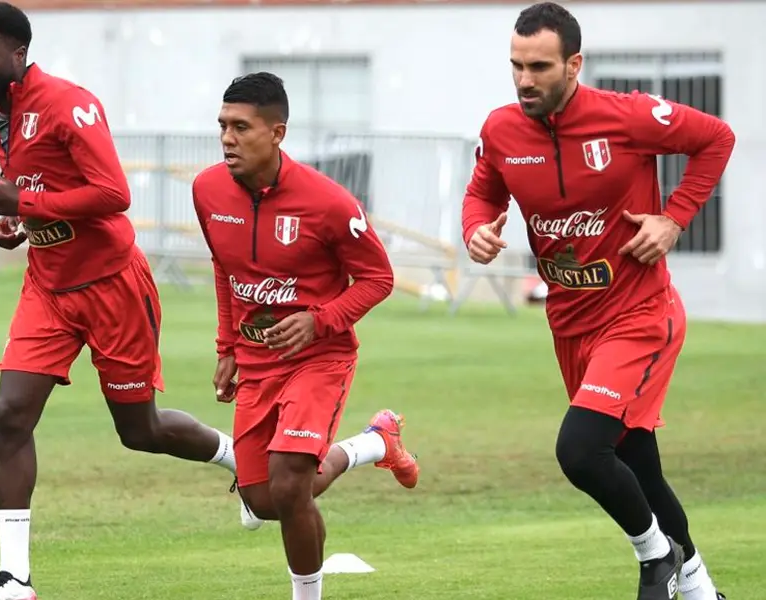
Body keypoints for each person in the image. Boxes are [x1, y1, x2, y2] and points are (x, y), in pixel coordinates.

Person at [0, 3, 240, 598]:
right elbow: (35, 189)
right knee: (9, 414)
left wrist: (26, 206)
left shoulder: (68, 103)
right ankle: (14, 578)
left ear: (18, 53)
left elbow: (113, 193)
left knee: (139, 432)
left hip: (113, 285)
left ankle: (238, 459)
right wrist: (17, 224)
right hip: (48, 286)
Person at [462, 3, 734, 599]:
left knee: (580, 450)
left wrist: (675, 219)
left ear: (574, 64)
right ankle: (702, 591)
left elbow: (716, 138)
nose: (524, 80)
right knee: (640, 468)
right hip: (571, 325)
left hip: (640, 315)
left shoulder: (628, 117)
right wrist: (477, 228)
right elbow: (483, 192)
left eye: (538, 66)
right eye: (515, 66)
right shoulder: (501, 129)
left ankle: (655, 557)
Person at [192, 71, 421, 600]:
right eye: (222, 126)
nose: (227, 138)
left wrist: (319, 320)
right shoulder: (206, 189)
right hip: (255, 361)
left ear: (277, 133)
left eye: (241, 127)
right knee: (268, 498)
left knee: (291, 481)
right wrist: (227, 347)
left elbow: (379, 279)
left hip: (321, 359)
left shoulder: (328, 202)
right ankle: (374, 443)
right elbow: (224, 269)